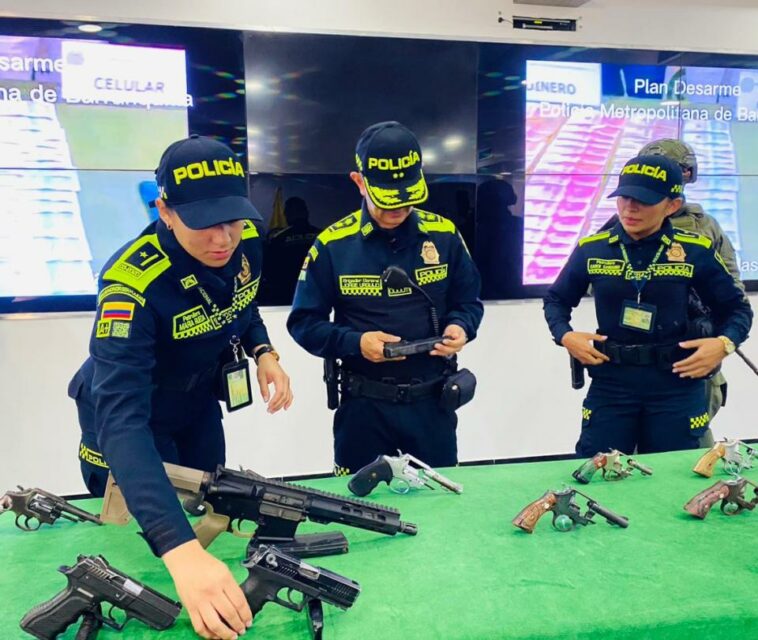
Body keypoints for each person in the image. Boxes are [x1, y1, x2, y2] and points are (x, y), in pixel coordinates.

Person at [68, 135, 293, 640]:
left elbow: (242, 307)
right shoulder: (130, 285)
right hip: (133, 423)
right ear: (164, 210)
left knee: (212, 508)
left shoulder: (245, 242)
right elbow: (120, 421)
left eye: (233, 220)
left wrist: (265, 353)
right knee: (144, 560)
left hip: (196, 407)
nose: (224, 239)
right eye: (205, 223)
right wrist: (180, 550)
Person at [287, 121, 483, 475]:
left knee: (440, 511)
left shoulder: (444, 236)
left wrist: (461, 326)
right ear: (359, 182)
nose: (398, 209)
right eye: (386, 198)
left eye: (407, 197)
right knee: (360, 511)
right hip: (364, 407)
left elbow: (469, 301)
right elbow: (303, 324)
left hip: (432, 405)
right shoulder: (333, 245)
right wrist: (355, 342)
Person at [544, 154, 752, 456]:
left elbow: (738, 309)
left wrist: (724, 344)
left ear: (672, 205)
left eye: (644, 200)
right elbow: (556, 299)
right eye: (624, 197)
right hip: (612, 383)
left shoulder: (696, 250)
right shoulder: (593, 248)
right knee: (600, 476)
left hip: (677, 383)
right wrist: (565, 335)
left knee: (673, 483)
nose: (630, 208)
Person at [597, 139, 743, 442]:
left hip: (689, 352)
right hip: (634, 359)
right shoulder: (619, 227)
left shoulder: (704, 228)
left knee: (687, 450)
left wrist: (720, 340)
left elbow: (732, 292)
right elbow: (590, 281)